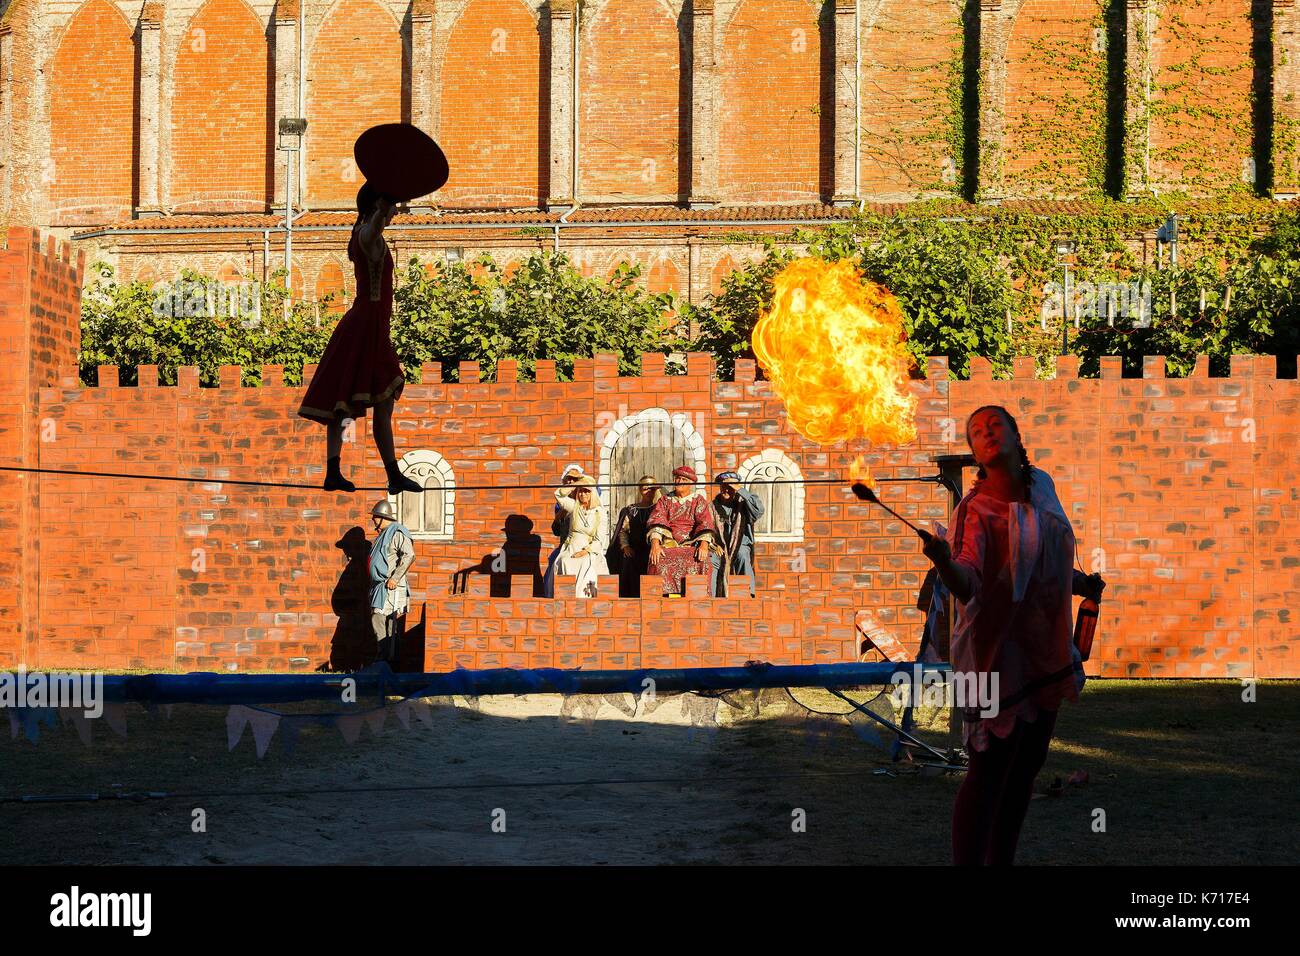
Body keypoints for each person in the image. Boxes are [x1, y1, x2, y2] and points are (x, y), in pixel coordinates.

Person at [920, 405, 1105, 865]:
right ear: (975, 452)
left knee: (1025, 770)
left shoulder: (1042, 485)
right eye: (976, 432)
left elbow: (1045, 555)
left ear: (1016, 434)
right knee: (988, 775)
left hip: (1042, 649)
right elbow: (968, 582)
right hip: (991, 658)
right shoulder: (974, 509)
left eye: (994, 424)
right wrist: (943, 560)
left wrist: (1081, 584)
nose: (986, 433)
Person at [297, 181, 422, 496]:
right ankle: (390, 474)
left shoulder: (361, 234)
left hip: (367, 325)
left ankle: (334, 471)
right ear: (379, 205)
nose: (396, 212)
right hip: (367, 325)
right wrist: (379, 213)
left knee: (345, 400)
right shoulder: (368, 235)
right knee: (381, 396)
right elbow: (373, 232)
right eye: (392, 206)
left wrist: (379, 210)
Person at [646, 465, 721, 596]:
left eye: (683, 479)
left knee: (701, 560)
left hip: (691, 543)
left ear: (690, 483)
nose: (679, 482)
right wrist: (655, 545)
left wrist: (704, 545)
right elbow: (657, 521)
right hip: (669, 542)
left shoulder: (698, 501)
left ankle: (698, 597)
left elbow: (705, 523)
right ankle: (662, 597)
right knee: (658, 559)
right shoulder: (665, 500)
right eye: (677, 478)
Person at [367, 499, 415, 665]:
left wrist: (395, 578)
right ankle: (386, 659)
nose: (374, 522)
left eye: (375, 518)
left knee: (380, 619)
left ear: (382, 517)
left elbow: (409, 555)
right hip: (380, 587)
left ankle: (386, 659)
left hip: (391, 586)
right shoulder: (382, 536)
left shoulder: (397, 532)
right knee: (384, 622)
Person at [546, 475, 609, 597]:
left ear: (592, 493)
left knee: (586, 563)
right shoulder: (574, 506)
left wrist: (585, 551)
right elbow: (558, 495)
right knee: (564, 561)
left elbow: (600, 539)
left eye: (587, 491)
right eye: (581, 490)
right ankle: (565, 597)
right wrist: (575, 485)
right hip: (571, 547)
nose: (583, 494)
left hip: (589, 550)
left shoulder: (600, 512)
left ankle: (582, 600)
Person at [710, 470, 764, 597]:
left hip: (740, 545)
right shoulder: (711, 506)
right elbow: (705, 528)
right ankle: (711, 595)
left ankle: (747, 594)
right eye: (724, 487)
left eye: (730, 487)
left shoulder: (744, 504)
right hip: (719, 548)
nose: (726, 490)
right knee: (712, 559)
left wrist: (740, 489)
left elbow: (759, 510)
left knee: (742, 555)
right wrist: (712, 545)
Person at [609, 476, 662, 597]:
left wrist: (659, 487)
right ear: (640, 490)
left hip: (652, 548)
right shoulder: (630, 510)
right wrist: (625, 546)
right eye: (645, 489)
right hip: (634, 549)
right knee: (628, 560)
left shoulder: (659, 508)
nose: (649, 492)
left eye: (652, 489)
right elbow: (623, 531)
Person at [541, 465, 586, 597]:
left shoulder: (586, 499)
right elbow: (556, 531)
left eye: (574, 479)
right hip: (565, 545)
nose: (571, 482)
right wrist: (559, 517)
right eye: (568, 479)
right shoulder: (560, 504)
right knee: (553, 567)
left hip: (584, 546)